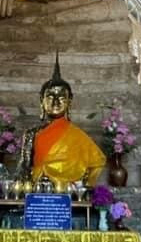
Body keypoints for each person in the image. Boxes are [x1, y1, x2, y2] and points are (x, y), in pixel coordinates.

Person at [17, 53, 106, 187]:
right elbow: (23, 170)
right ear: (41, 101)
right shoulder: (31, 134)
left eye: (62, 97)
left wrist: (84, 187)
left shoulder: (77, 136)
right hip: (38, 192)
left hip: (68, 194)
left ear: (70, 102)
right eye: (50, 96)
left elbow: (97, 162)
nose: (56, 102)